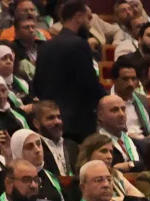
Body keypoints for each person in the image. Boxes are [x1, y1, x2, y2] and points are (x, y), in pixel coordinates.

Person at [31, 1, 107, 141]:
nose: (89, 25)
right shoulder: (79, 44)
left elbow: (37, 85)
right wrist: (106, 98)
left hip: (49, 120)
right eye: (88, 18)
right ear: (78, 17)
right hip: (76, 123)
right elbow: (89, 84)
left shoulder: (46, 46)